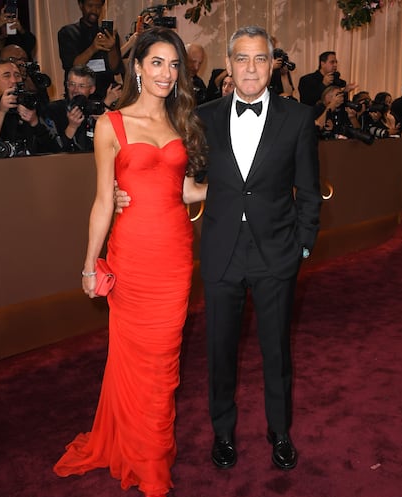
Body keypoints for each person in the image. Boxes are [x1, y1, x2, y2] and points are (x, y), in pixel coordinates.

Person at [116, 26, 322, 472]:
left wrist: (302, 247)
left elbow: (308, 191)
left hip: (276, 254)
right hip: (221, 252)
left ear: (273, 65)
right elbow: (172, 172)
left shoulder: (298, 118)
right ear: (228, 65)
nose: (251, 68)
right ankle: (223, 432)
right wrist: (125, 192)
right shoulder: (203, 117)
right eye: (241, 58)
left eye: (260, 59)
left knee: (277, 352)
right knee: (220, 351)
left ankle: (280, 431)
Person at [53, 27, 208, 497]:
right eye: (157, 62)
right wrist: (89, 264)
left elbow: (186, 191)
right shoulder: (111, 124)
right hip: (132, 258)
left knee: (163, 363)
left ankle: (150, 457)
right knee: (134, 361)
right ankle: (147, 463)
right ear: (137, 67)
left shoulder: (182, 122)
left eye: (174, 65)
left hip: (175, 258)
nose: (167, 73)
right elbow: (104, 200)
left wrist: (243, 185)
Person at [44, 65, 120, 152]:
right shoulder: (54, 109)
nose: (75, 90)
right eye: (72, 84)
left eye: (81, 86)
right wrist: (72, 127)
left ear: (92, 89)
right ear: (67, 85)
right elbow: (52, 149)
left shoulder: (95, 109)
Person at [58, 0, 124, 99]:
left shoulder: (108, 34)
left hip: (107, 94)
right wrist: (93, 48)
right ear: (81, 5)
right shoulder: (68, 33)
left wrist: (112, 48)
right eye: (90, 6)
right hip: (78, 95)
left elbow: (115, 69)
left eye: (98, 7)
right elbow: (72, 67)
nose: (94, 10)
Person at [0, 58, 60, 155]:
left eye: (17, 75)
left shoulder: (32, 104)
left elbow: (55, 150)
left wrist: (35, 122)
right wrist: (1, 111)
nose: (14, 80)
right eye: (7, 76)